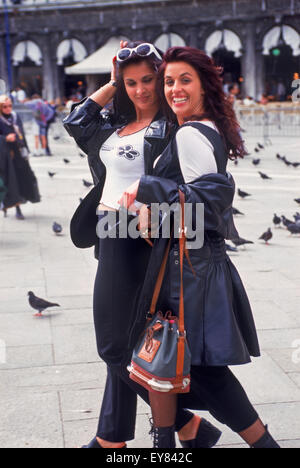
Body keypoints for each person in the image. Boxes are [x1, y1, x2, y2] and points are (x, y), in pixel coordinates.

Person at [118, 46, 280, 449]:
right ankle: (166, 444)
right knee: (166, 357)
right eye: (168, 81)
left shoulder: (191, 133)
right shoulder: (197, 127)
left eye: (183, 80)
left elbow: (209, 201)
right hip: (189, 265)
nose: (173, 89)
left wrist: (147, 188)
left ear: (205, 86)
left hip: (190, 270)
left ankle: (261, 444)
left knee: (197, 367)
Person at [64, 41, 223, 449]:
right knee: (125, 339)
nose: (140, 90)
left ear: (161, 78)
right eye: (131, 83)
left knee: (114, 343)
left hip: (135, 234)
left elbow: (183, 185)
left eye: (148, 80)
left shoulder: (171, 130)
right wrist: (114, 80)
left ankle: (163, 428)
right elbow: (77, 121)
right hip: (107, 232)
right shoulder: (116, 127)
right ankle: (133, 433)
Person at [0, 95, 41, 219]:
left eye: (10, 106)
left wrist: (26, 151)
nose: (8, 108)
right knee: (11, 182)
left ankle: (18, 204)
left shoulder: (15, 117)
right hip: (5, 156)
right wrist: (5, 138)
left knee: (22, 179)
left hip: (19, 154)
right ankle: (14, 207)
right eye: (4, 106)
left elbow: (21, 134)